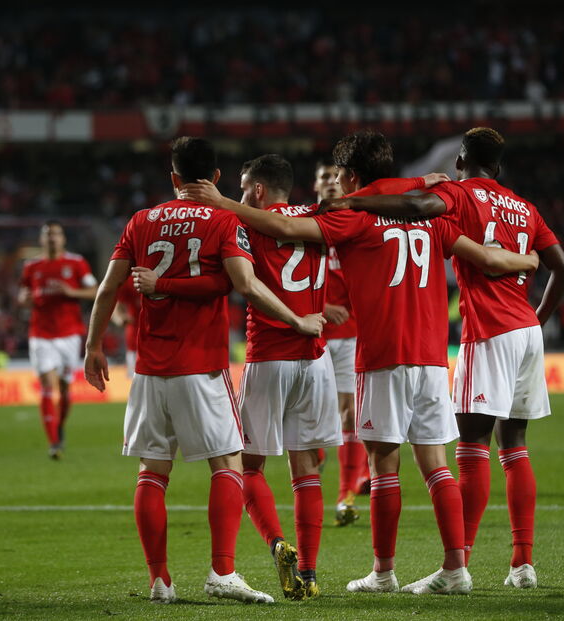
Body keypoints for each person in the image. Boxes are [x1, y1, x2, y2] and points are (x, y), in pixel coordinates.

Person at [179, 129, 538, 596]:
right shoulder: (429, 213)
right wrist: (527, 260)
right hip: (433, 357)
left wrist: (224, 203)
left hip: (382, 354)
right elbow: (485, 256)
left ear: (349, 176)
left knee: (384, 466)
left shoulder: (355, 215)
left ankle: (383, 573)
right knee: (436, 464)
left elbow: (284, 228)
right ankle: (456, 568)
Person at [83, 136, 325, 604]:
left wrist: (93, 345)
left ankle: (160, 581)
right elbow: (245, 285)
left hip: (149, 368)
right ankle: (222, 572)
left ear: (173, 177)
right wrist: (296, 320)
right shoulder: (223, 220)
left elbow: (108, 288)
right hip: (201, 365)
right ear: (215, 177)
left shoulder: (140, 220)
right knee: (229, 464)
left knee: (152, 471)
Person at [329, 127, 564, 589]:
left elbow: (420, 208)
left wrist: (356, 203)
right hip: (526, 330)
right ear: (498, 165)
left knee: (471, 448)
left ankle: (456, 565)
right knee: (515, 446)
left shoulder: (460, 194)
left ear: (460, 160)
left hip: (490, 330)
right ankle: (522, 564)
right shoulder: (524, 207)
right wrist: (537, 319)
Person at [315, 157, 369, 527]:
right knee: (317, 413)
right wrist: (320, 307)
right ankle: (321, 455)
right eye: (324, 177)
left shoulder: (356, 223)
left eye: (337, 176)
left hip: (350, 333)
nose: (331, 182)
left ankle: (345, 494)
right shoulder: (305, 225)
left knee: (349, 412)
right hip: (312, 331)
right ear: (315, 185)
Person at [17, 220, 98, 459]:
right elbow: (23, 295)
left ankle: (59, 427)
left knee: (64, 387)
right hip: (41, 334)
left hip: (69, 334)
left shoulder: (76, 263)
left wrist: (72, 292)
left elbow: (95, 290)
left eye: (56, 234)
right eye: (48, 234)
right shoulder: (31, 266)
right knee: (47, 385)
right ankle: (53, 442)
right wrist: (24, 299)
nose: (52, 238)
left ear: (63, 239)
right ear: (42, 239)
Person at [111, 280, 141, 376]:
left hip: (162, 340)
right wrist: (120, 319)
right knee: (135, 379)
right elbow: (116, 309)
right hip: (135, 339)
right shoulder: (130, 280)